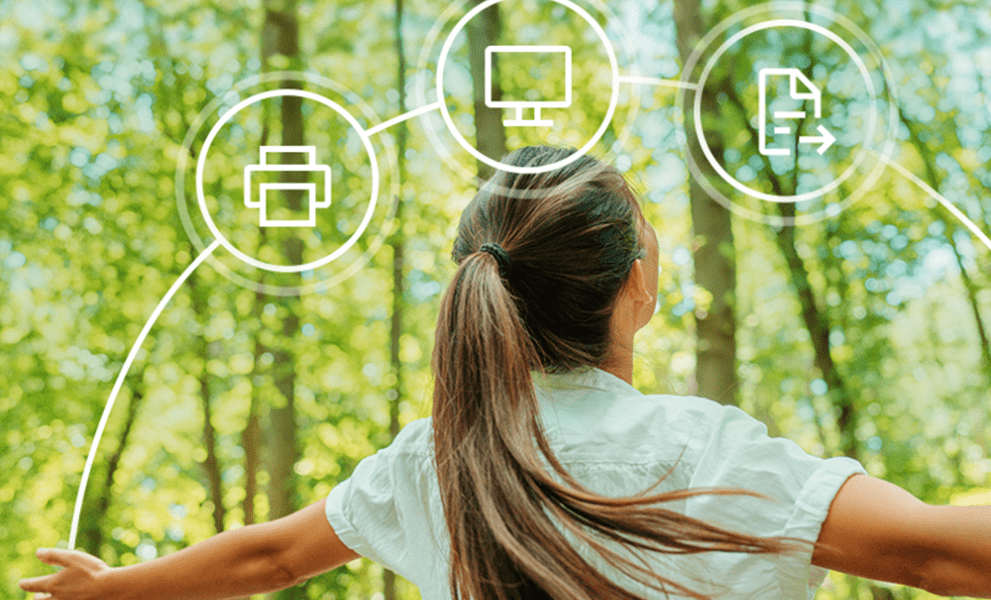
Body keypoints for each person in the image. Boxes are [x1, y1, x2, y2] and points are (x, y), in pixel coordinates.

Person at [18, 146, 991, 600]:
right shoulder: (706, 453)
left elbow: (268, 558)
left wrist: (116, 591)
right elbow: (939, 553)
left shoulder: (426, 464)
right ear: (638, 283)